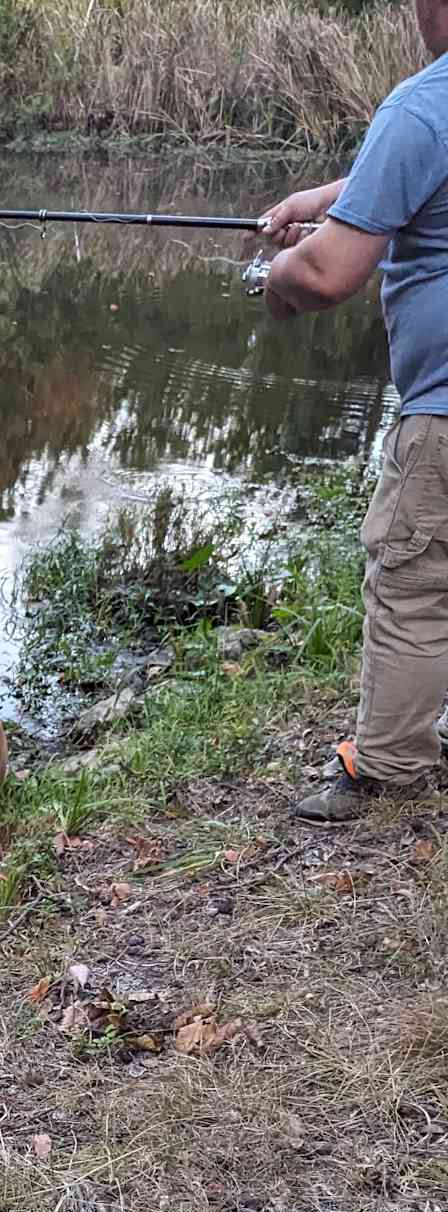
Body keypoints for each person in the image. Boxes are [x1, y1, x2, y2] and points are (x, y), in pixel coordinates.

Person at [260, 0, 448, 822]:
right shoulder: (417, 121)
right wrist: (328, 196)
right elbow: (417, 166)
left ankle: (391, 771)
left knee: (413, 581)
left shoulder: (424, 102)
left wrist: (279, 280)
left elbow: (330, 275)